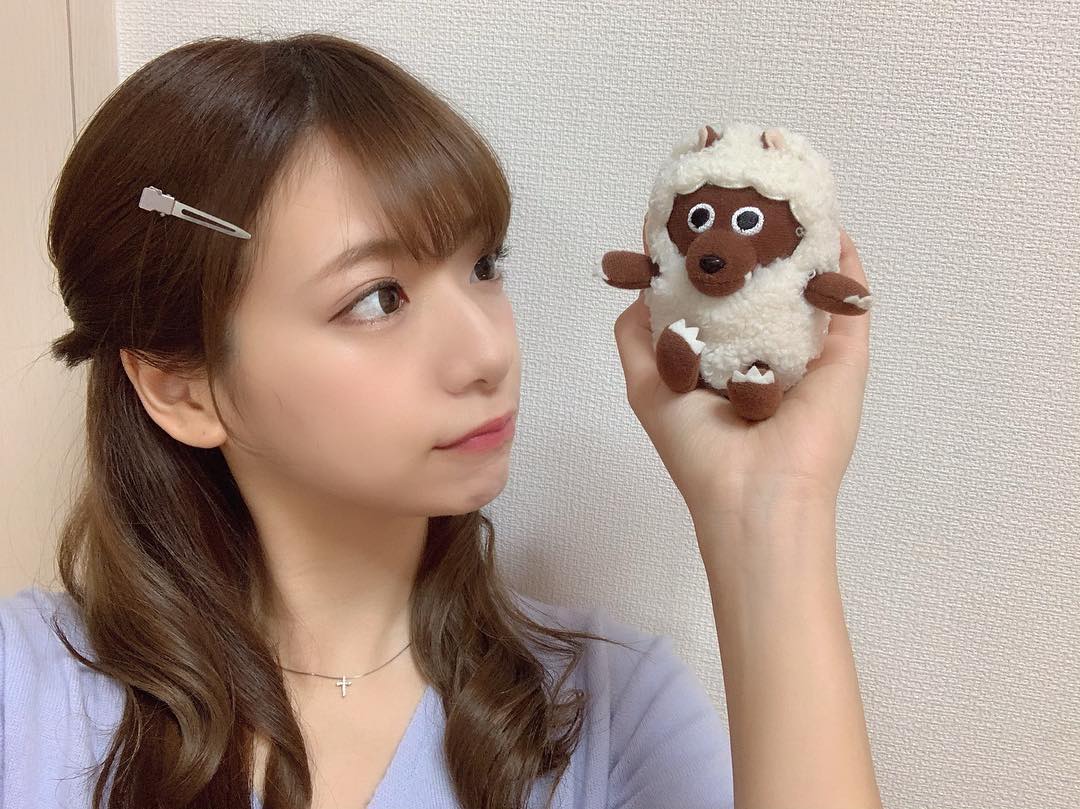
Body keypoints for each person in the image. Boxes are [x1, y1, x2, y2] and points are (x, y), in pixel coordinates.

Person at [0, 32, 881, 809]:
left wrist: (771, 510)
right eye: (378, 297)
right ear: (182, 389)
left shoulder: (607, 714)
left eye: (483, 265)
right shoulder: (26, 693)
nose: (488, 352)